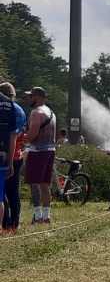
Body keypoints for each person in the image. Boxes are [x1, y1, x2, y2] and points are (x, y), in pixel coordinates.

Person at [24, 87, 56, 224]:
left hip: (37, 151)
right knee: (45, 184)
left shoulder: (36, 112)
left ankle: (38, 217)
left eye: (30, 96)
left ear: (37, 97)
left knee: (34, 183)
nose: (29, 99)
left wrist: (23, 140)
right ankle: (46, 216)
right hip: (50, 150)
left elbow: (33, 132)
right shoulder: (51, 112)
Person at [0, 83, 26, 233]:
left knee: (2, 193)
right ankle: (14, 224)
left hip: (6, 155)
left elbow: (12, 137)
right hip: (17, 155)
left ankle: (5, 224)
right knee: (13, 192)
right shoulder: (20, 110)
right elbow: (21, 133)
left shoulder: (5, 109)